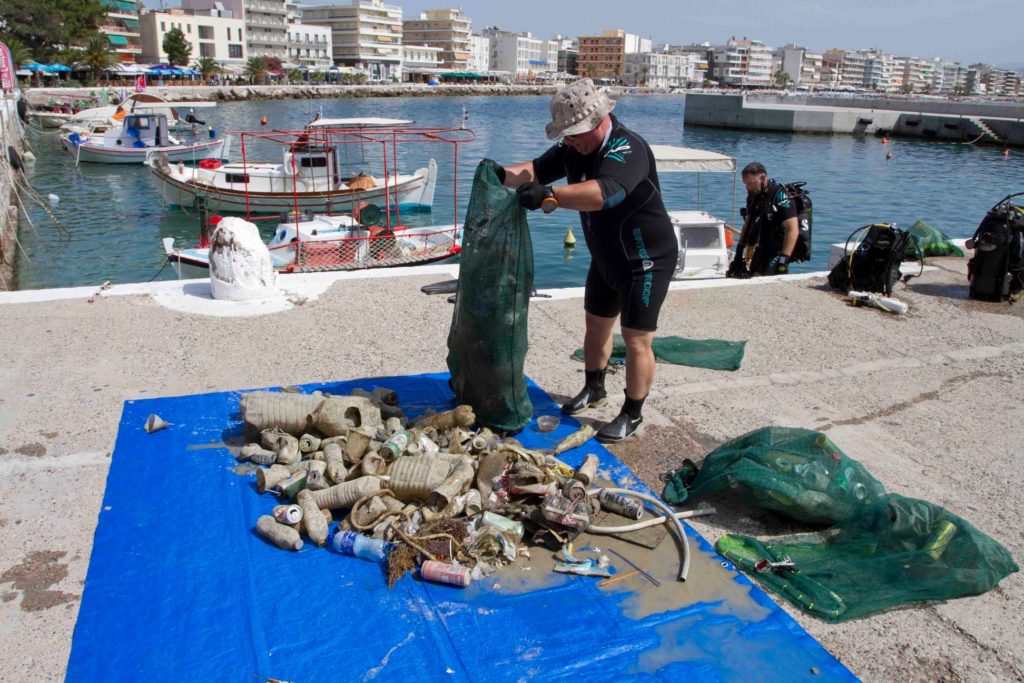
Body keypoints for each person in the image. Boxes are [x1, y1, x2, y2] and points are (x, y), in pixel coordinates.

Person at [488, 78, 678, 443]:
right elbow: (535, 171)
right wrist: (498, 176)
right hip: (606, 255)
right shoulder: (574, 148)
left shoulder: (628, 147)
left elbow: (604, 193)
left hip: (646, 259)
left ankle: (632, 413)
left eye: (573, 134)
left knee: (636, 338)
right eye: (566, 135)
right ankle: (595, 387)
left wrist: (552, 195)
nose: (568, 141)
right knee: (595, 326)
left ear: (597, 121)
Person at [728, 162, 799, 277]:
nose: (748, 188)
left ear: (762, 177)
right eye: (745, 184)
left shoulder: (781, 197)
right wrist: (739, 250)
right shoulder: (753, 196)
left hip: (777, 251)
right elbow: (748, 223)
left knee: (758, 280)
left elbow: (792, 229)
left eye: (750, 183)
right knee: (749, 278)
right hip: (761, 248)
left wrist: (783, 261)